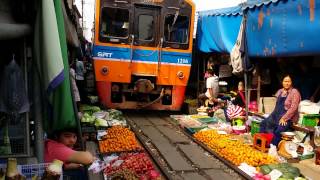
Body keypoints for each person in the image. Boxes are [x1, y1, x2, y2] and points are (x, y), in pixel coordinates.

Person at [260, 75, 301, 146]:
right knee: (263, 123)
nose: (287, 83)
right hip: (275, 115)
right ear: (282, 82)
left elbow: (293, 108)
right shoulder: (280, 91)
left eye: (289, 81)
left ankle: (272, 146)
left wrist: (284, 118)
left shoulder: (295, 92)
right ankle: (263, 143)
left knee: (278, 130)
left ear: (291, 82)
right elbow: (276, 105)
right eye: (285, 81)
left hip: (287, 117)